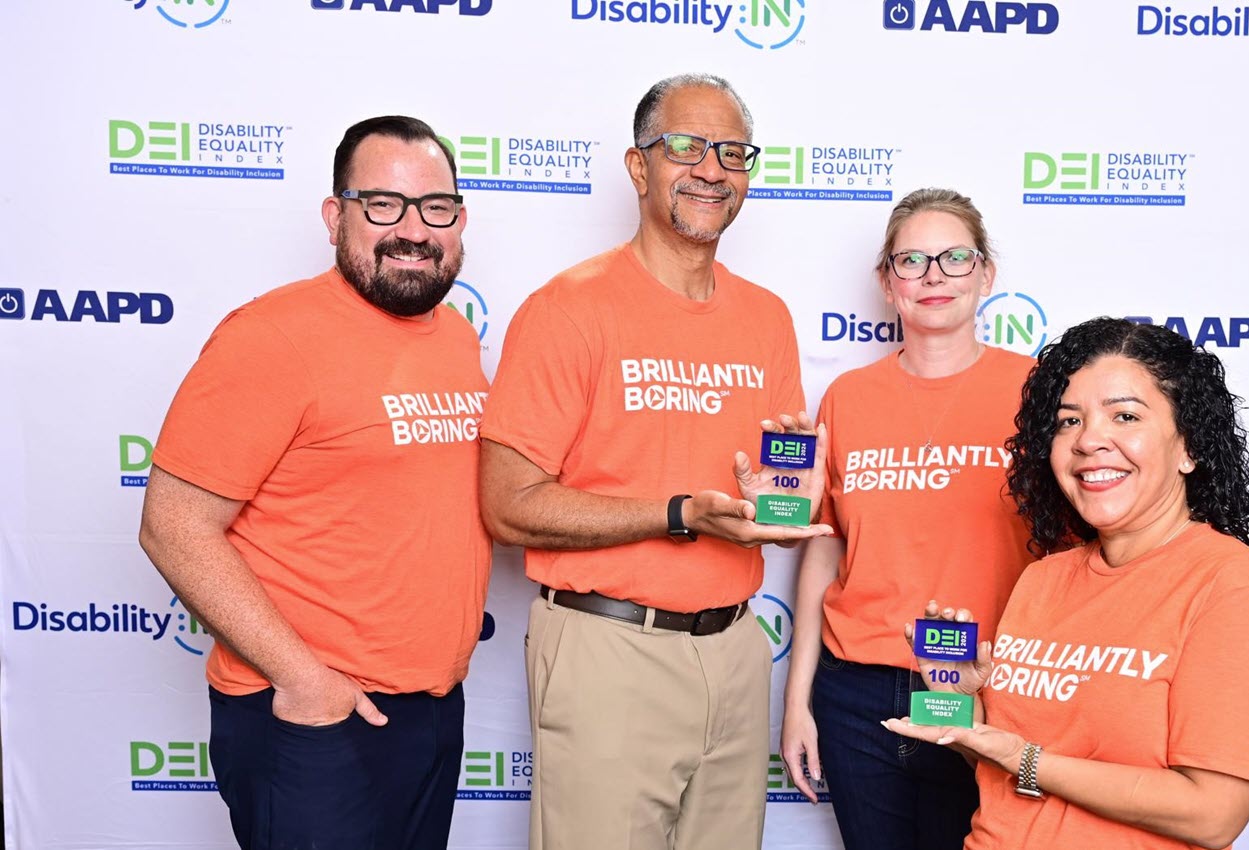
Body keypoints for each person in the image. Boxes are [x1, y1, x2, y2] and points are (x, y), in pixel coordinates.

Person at [477, 73, 829, 850]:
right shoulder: (568, 308)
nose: (711, 168)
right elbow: (507, 503)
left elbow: (777, 484)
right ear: (640, 168)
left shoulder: (766, 316)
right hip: (610, 648)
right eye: (685, 146)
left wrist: (785, 500)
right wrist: (678, 514)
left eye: (732, 152)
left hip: (736, 649)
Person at [138, 115, 490, 850]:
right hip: (312, 716)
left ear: (460, 220)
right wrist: (304, 680)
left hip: (429, 711)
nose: (413, 230)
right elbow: (173, 522)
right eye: (383, 205)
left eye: (436, 208)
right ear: (337, 217)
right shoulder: (271, 337)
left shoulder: (455, 336)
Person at [885, 317, 1249, 850]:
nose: (1089, 441)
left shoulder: (1235, 589)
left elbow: (1212, 815)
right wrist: (960, 707)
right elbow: (1000, 757)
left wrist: (1025, 760)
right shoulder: (1043, 577)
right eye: (1068, 421)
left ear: (1188, 448)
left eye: (1125, 416)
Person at [779, 188, 1035, 850]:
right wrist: (797, 698)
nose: (933, 277)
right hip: (856, 697)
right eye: (912, 261)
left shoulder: (1036, 394)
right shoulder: (848, 398)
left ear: (986, 274)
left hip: (984, 689)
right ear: (887, 284)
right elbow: (825, 552)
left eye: (954, 258)